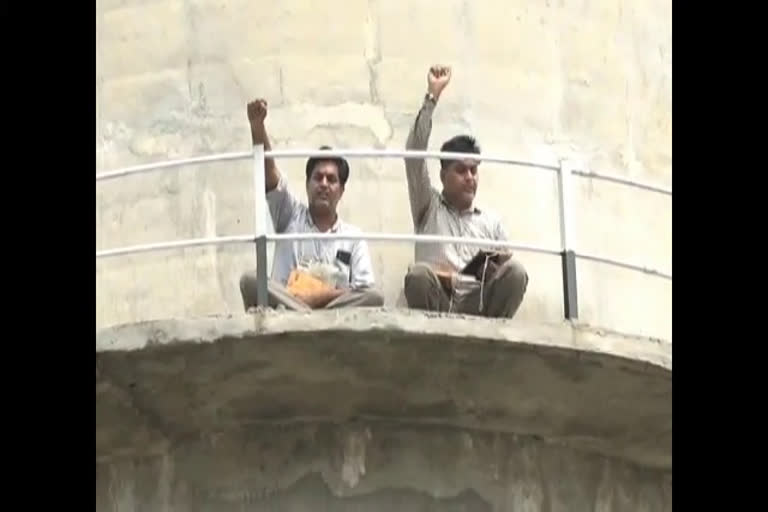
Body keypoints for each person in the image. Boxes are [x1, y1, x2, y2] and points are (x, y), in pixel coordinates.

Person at [402, 66, 528, 319]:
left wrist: (490, 270)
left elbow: (506, 267)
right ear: (443, 176)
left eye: (474, 170)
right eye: (461, 170)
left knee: (516, 271)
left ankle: (493, 339)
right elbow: (414, 154)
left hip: (478, 304)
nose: (470, 178)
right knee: (418, 276)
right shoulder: (428, 207)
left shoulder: (490, 222)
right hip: (439, 301)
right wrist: (432, 97)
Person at [239, 98, 384, 312]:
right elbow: (269, 174)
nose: (324, 184)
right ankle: (302, 309)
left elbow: (365, 293)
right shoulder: (289, 216)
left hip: (330, 317)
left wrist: (315, 297)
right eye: (318, 177)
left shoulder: (353, 238)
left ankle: (304, 309)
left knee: (374, 296)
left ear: (341, 190)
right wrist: (257, 126)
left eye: (331, 179)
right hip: (288, 310)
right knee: (251, 280)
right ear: (307, 185)